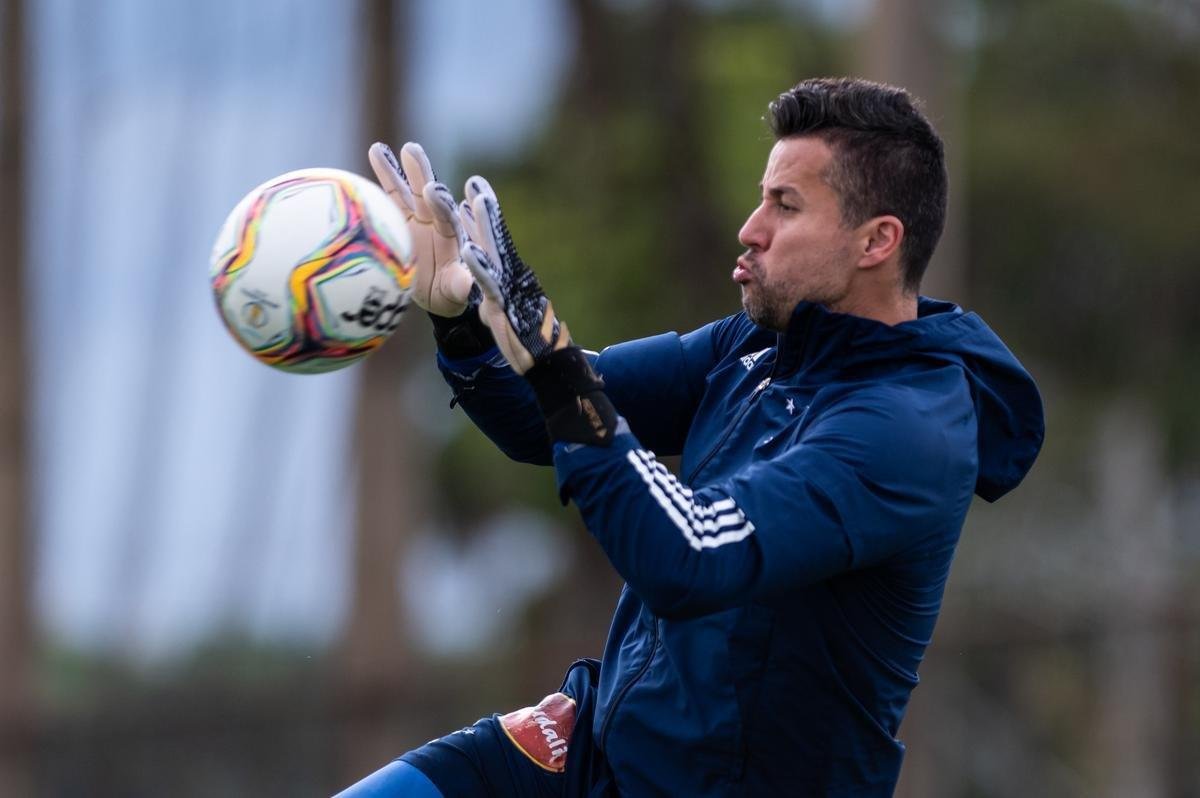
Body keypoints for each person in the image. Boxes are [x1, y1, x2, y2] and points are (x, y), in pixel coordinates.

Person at [336, 77, 1044, 797]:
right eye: (762, 196)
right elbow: (546, 415)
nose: (750, 228)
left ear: (877, 241)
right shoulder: (760, 345)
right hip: (597, 749)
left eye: (785, 205)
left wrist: (557, 374)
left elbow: (688, 559)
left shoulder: (907, 431)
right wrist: (460, 318)